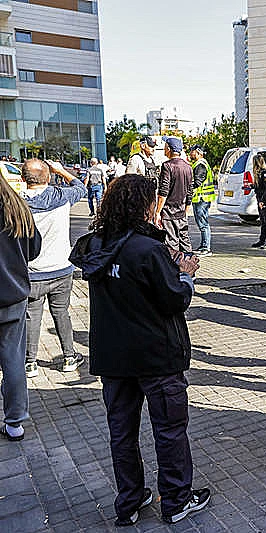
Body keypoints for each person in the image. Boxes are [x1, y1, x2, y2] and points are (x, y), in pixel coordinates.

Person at [68, 174, 210, 525]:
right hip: (156, 356)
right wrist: (185, 274)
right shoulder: (148, 250)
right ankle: (176, 500)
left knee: (122, 432)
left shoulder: (96, 245)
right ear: (143, 206)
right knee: (169, 429)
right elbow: (174, 300)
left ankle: (129, 501)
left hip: (114, 358)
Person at [21, 159, 87, 377]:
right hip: (61, 268)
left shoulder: (18, 205)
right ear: (48, 177)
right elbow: (80, 187)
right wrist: (62, 170)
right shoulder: (60, 197)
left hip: (32, 272)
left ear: (23, 179)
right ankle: (69, 356)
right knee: (61, 313)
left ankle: (30, 362)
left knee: (32, 315)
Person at [0, 173, 41, 441]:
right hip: (13, 294)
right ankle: (15, 421)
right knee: (14, 360)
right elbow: (33, 248)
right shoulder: (16, 206)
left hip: (13, 294)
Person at [154, 136, 193, 253]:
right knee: (185, 242)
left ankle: (174, 269)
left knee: (171, 244)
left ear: (169, 149)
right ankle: (189, 268)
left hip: (169, 212)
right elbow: (190, 192)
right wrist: (186, 210)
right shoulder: (188, 167)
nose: (164, 150)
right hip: (181, 211)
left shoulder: (167, 166)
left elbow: (163, 192)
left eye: (165, 147)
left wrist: (157, 212)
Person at [188, 145, 215, 257]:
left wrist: (187, 188)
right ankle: (203, 245)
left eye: (192, 152)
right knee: (202, 223)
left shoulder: (200, 165)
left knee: (203, 224)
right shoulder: (200, 164)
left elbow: (197, 182)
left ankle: (206, 248)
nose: (190, 154)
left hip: (202, 199)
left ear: (198, 153)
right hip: (202, 198)